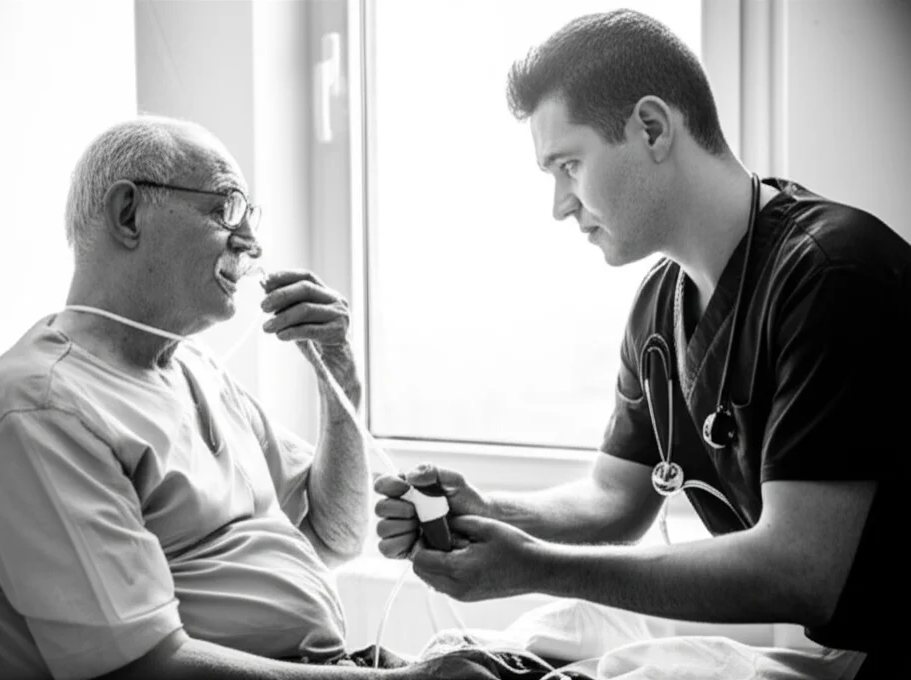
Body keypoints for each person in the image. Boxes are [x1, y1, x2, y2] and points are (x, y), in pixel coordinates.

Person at [374, 9, 908, 678]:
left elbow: (799, 570)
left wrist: (536, 567)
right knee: (504, 653)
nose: (560, 205)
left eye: (570, 165)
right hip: (841, 654)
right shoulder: (661, 306)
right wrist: (488, 512)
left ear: (651, 128)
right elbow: (614, 501)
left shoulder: (833, 275)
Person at [0, 116, 509, 680]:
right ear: (128, 214)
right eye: (225, 209)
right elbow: (141, 669)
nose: (251, 243)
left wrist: (340, 378)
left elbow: (333, 534)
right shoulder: (40, 407)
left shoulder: (195, 370)